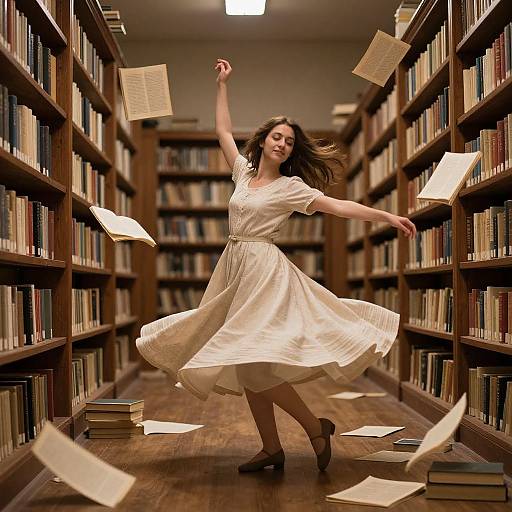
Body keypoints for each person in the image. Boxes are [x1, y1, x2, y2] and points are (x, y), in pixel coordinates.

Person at [136, 58, 417, 474]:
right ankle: (272, 447)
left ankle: (312, 427)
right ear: (263, 140)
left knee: (250, 358)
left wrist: (388, 217)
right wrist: (222, 85)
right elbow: (222, 132)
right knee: (248, 359)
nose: (283, 144)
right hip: (234, 265)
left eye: (289, 141)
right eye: (277, 137)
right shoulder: (243, 174)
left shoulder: (291, 187)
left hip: (264, 269)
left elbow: (337, 205)